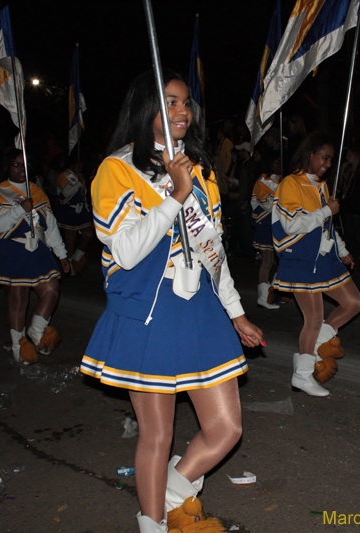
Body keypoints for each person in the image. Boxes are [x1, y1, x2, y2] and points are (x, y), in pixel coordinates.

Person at [78, 71, 263, 533]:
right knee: (157, 435)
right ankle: (153, 523)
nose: (183, 111)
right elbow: (123, 250)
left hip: (199, 309)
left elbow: (213, 250)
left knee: (227, 430)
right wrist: (174, 197)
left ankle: (173, 491)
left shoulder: (199, 169)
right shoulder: (116, 170)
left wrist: (236, 311)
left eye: (186, 103)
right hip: (147, 313)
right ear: (146, 111)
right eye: (171, 102)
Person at [272, 132, 360, 397]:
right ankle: (302, 375)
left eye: (331, 159)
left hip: (324, 258)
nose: (328, 163)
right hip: (300, 260)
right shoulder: (290, 184)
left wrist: (342, 249)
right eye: (324, 157)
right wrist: (326, 211)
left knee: (354, 303)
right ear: (310, 154)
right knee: (313, 318)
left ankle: (315, 347)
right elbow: (291, 225)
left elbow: (326, 226)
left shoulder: (321, 186)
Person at [0, 149, 70, 364]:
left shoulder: (37, 191)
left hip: (37, 251)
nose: (22, 169)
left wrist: (61, 253)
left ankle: (36, 330)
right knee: (18, 299)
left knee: (51, 289)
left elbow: (49, 226)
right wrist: (18, 210)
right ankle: (18, 345)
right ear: (7, 168)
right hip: (11, 252)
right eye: (16, 164)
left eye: (24, 164)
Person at [251, 157, 282, 309]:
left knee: (276, 259)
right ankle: (263, 297)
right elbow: (268, 205)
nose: (279, 164)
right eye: (276, 161)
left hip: (275, 224)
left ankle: (273, 292)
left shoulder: (282, 180)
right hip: (264, 223)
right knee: (267, 260)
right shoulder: (263, 182)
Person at [54, 160, 94, 274]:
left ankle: (77, 257)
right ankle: (69, 265)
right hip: (69, 210)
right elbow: (66, 193)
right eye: (78, 165)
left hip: (81, 210)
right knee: (70, 239)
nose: (80, 167)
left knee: (88, 235)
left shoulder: (79, 177)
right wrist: (79, 183)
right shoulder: (63, 176)